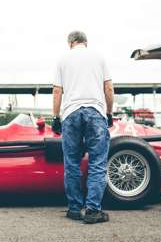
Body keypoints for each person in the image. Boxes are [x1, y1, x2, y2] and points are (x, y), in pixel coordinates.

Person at [52, 31, 114, 224]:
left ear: (70, 43)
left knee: (71, 162)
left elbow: (57, 90)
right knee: (97, 163)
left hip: (70, 113)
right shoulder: (99, 58)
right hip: (95, 112)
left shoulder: (62, 60)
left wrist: (56, 116)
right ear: (85, 42)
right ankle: (93, 210)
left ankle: (74, 208)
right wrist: (109, 113)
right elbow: (109, 88)